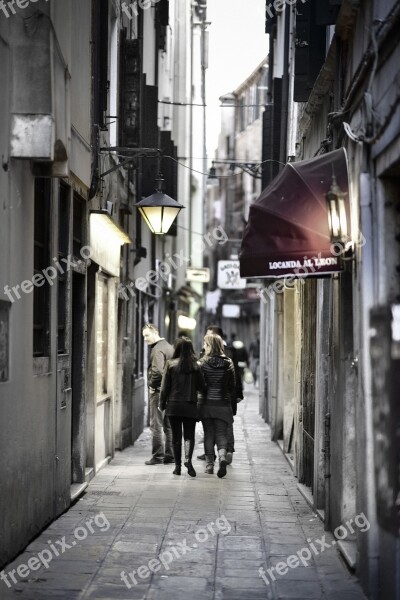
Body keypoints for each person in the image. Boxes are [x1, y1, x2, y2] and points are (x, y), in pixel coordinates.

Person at [159, 337, 206, 476]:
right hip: (190, 406)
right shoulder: (196, 366)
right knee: (189, 436)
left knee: (176, 436)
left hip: (173, 406)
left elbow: (164, 387)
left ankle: (177, 467)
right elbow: (202, 387)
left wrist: (162, 403)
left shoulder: (170, 364)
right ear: (191, 349)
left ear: (177, 348)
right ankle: (188, 460)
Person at [197, 325, 243, 465]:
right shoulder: (228, 361)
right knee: (223, 432)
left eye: (206, 344)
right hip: (223, 403)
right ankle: (224, 455)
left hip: (207, 404)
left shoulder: (202, 362)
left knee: (209, 434)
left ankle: (210, 464)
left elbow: (199, 385)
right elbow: (232, 383)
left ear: (210, 345)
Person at [142, 323, 174, 465]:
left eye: (147, 335)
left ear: (155, 332)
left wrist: (152, 386)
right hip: (170, 392)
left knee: (156, 424)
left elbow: (157, 372)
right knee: (168, 425)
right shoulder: (169, 347)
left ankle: (158, 456)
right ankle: (171, 455)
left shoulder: (157, 349)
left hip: (159, 392)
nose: (145, 339)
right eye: (143, 336)